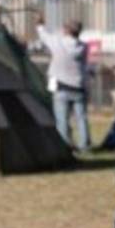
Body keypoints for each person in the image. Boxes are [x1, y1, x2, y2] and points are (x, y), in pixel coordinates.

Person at [36, 14, 90, 151]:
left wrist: (40, 24)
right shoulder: (83, 47)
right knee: (81, 119)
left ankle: (64, 146)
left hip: (61, 87)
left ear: (66, 30)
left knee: (62, 120)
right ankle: (84, 145)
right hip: (79, 87)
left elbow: (44, 36)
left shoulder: (58, 43)